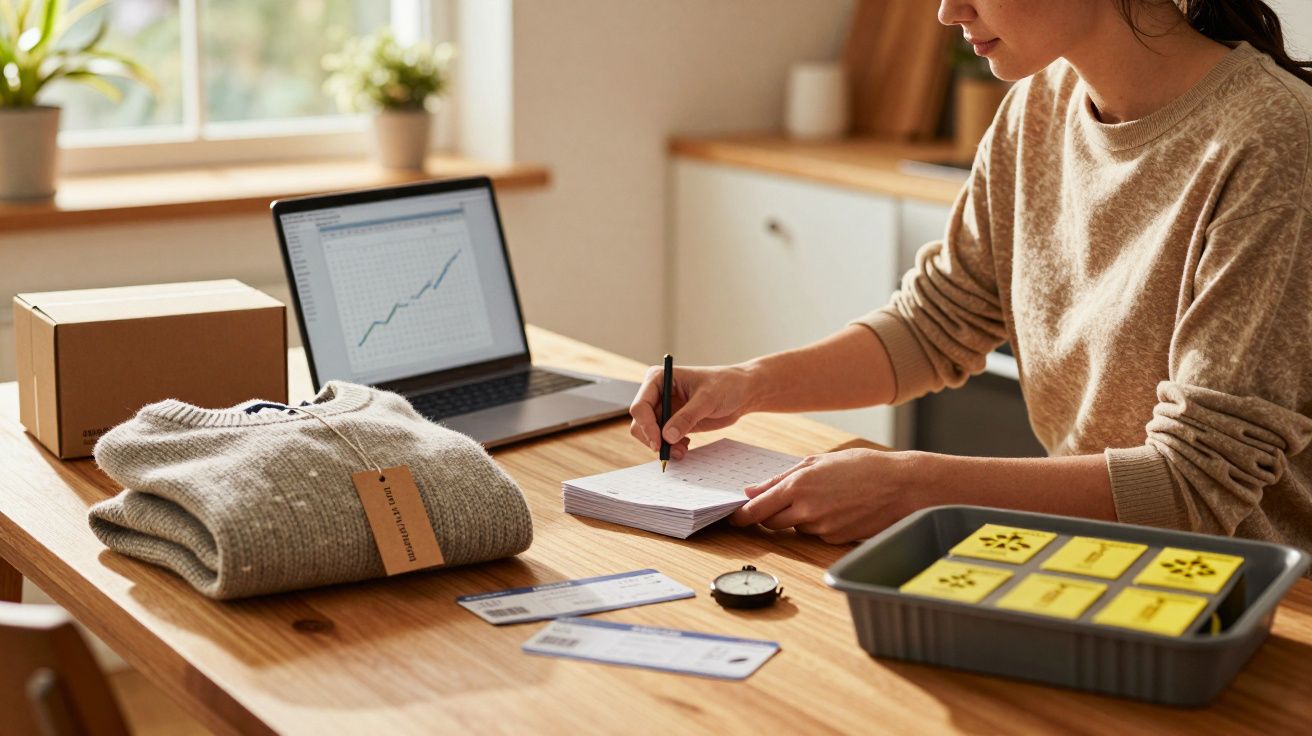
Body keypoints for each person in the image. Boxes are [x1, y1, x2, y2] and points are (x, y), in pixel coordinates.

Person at [629, 0, 1312, 553]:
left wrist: (916, 486)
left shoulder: (1272, 140)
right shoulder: (1036, 107)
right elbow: (933, 327)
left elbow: (1193, 487)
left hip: (1263, 610)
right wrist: (744, 385)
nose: (947, 12)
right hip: (1094, 561)